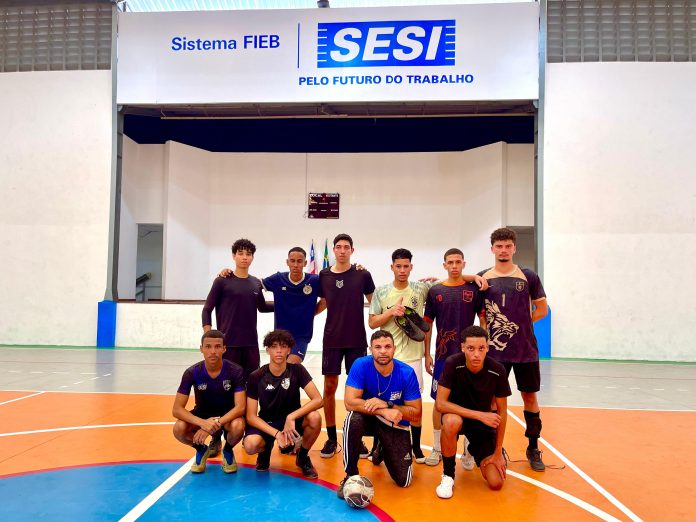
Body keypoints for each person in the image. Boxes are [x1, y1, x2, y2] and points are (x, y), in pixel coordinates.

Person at [479, 227, 549, 471]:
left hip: (525, 350)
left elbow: (542, 309)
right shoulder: (483, 277)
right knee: (492, 401)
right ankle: (491, 447)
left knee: (529, 396)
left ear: (514, 248)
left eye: (508, 246)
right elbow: (477, 307)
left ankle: (533, 447)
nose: (504, 250)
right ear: (492, 249)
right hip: (496, 352)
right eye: (499, 246)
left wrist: (521, 325)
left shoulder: (528, 276)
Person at [338, 330, 422, 497]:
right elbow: (349, 402)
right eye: (378, 347)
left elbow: (416, 414)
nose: (383, 351)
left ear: (394, 349)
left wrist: (389, 405)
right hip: (368, 418)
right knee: (352, 420)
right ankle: (350, 476)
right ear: (371, 349)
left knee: (403, 481)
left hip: (394, 423)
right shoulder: (361, 365)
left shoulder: (406, 373)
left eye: (387, 346)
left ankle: (382, 446)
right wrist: (383, 411)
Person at [423, 248, 485, 469]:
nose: (455, 266)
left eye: (458, 262)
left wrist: (483, 348)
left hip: (470, 357)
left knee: (469, 401)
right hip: (442, 356)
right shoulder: (435, 291)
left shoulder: (473, 289)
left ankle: (468, 452)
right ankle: (437, 448)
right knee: (439, 404)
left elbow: (483, 319)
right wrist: (426, 353)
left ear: (464, 264)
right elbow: (427, 326)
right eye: (450, 262)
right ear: (444, 265)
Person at [317, 233, 375, 458]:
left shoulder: (362, 274)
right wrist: (298, 315)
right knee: (330, 388)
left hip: (356, 339)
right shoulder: (323, 275)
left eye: (346, 247)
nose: (342, 250)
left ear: (352, 250)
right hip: (332, 339)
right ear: (334, 250)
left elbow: (375, 303)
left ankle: (357, 438)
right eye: (338, 247)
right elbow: (321, 303)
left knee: (357, 391)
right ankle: (331, 439)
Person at [434, 325, 510, 498]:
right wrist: (480, 414)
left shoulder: (497, 370)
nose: (476, 354)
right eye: (471, 348)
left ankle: (474, 448)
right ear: (462, 347)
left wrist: (498, 451)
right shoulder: (453, 363)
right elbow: (440, 404)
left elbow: (502, 412)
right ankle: (448, 476)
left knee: (496, 482)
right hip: (458, 418)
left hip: (481, 426)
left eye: (481, 348)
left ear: (487, 347)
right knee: (451, 422)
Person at [219, 247, 322, 364]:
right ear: (287, 262)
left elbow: (326, 299)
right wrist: (230, 275)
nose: (295, 264)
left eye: (299, 261)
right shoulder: (278, 279)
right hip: (280, 335)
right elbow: (254, 285)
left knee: (292, 365)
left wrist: (311, 313)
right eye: (292, 261)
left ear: (305, 263)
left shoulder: (314, 280)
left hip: (302, 335)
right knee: (278, 369)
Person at [243, 329, 323, 478]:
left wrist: (291, 417)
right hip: (268, 422)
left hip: (292, 423)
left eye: (283, 346)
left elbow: (318, 399)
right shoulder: (256, 376)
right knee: (250, 445)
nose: (279, 351)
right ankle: (264, 452)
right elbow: (251, 417)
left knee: (315, 418)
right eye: (274, 346)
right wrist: (277, 434)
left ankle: (302, 457)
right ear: (267, 350)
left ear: (289, 349)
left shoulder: (297, 370)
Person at [172, 330, 246, 474]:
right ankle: (201, 449)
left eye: (217, 346)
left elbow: (240, 407)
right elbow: (177, 410)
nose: (213, 351)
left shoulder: (235, 371)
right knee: (178, 428)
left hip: (228, 417)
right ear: (201, 349)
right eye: (208, 346)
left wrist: (211, 426)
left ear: (224, 349)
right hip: (202, 415)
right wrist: (202, 423)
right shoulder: (192, 372)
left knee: (238, 425)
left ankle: (228, 450)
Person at [202, 238, 274, 382]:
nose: (244, 257)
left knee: (252, 384)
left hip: (251, 344)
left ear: (252, 258)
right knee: (228, 385)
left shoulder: (256, 283)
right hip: (229, 344)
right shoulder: (222, 281)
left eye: (248, 254)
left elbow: (263, 307)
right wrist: (209, 337)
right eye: (240, 253)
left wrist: (287, 304)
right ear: (234, 256)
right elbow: (207, 310)